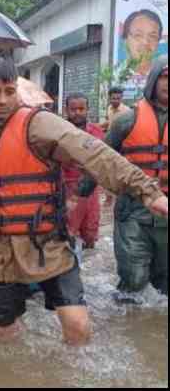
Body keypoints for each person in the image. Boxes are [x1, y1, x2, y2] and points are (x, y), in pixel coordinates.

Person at [0, 56, 168, 346]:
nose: (3, 100)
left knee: (77, 325)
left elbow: (96, 154)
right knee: (6, 337)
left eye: (10, 91)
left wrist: (149, 192)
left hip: (48, 244)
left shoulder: (40, 124)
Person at [80, 55, 170, 303]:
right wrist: (81, 194)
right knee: (134, 279)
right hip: (133, 211)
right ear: (153, 80)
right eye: (165, 77)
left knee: (164, 285)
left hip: (165, 214)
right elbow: (100, 158)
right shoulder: (127, 120)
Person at [61, 93, 104, 249]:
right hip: (68, 188)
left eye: (81, 109)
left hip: (91, 186)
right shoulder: (59, 131)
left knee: (90, 232)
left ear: (88, 110)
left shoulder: (96, 131)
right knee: (69, 231)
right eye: (73, 109)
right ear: (66, 110)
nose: (77, 112)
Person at [123, 9, 163, 77]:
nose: (145, 42)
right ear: (126, 40)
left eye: (152, 36)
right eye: (138, 35)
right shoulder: (112, 77)